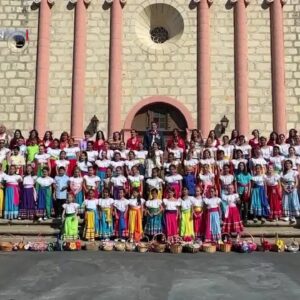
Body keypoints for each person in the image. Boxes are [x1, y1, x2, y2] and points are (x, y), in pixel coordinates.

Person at [281, 160, 300, 224]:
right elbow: (282, 182)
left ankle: (293, 216)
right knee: (286, 201)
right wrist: (284, 188)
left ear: (291, 165)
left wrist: (293, 188)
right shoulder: (283, 173)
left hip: (292, 187)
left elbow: (296, 182)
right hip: (286, 187)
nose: (287, 165)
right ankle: (287, 215)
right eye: (286, 164)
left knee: (293, 201)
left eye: (289, 163)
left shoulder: (294, 172)